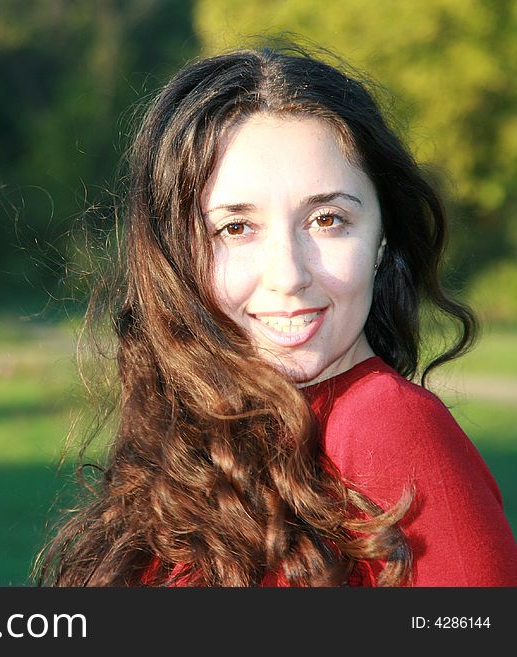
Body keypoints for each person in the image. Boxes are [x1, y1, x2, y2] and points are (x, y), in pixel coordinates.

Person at [34, 44, 517, 587]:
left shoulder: (388, 426)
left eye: (327, 219)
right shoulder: (190, 434)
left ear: (382, 237)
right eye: (236, 228)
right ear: (174, 255)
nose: (288, 275)